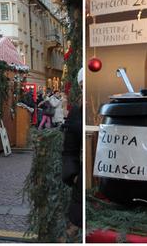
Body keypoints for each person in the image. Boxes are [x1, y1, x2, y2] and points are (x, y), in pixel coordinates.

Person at [62, 68, 83, 233]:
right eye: (82, 85)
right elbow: (69, 149)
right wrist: (73, 174)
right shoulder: (76, 111)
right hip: (81, 187)